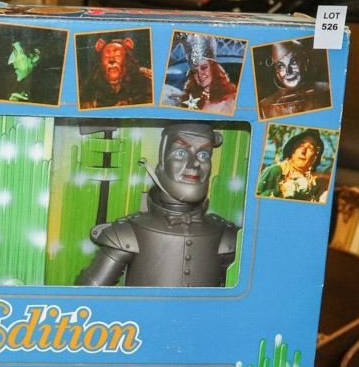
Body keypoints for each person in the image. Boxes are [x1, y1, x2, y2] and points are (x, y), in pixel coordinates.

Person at [76, 122, 239, 288]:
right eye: (181, 153)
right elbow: (87, 294)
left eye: (203, 155)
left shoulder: (225, 235)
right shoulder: (129, 232)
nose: (194, 164)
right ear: (162, 159)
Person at [165, 34, 238, 115]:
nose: (199, 74)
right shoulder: (188, 99)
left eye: (204, 68)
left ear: (213, 68)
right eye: (195, 71)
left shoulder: (231, 99)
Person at [258, 40, 332, 119]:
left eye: (293, 62)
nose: (288, 72)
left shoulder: (328, 92)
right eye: (281, 66)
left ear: (305, 62)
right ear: (276, 73)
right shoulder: (264, 106)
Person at [257, 128, 325, 202]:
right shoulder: (275, 171)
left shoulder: (313, 183)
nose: (303, 151)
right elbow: (256, 200)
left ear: (315, 156)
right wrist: (281, 190)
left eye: (309, 148)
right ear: (293, 149)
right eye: (300, 146)